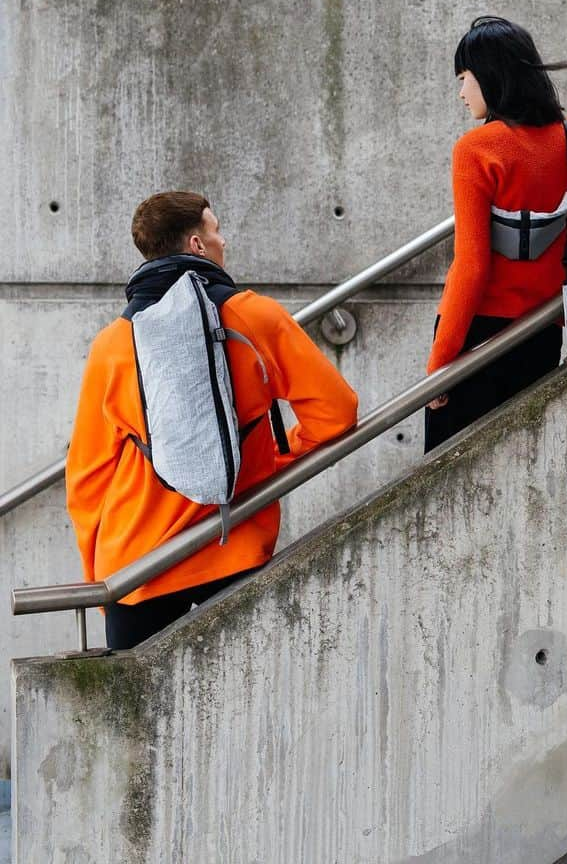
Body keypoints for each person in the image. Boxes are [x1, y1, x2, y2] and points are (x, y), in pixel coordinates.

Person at [66, 191, 358, 649]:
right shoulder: (255, 316)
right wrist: (268, 463)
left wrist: (102, 581)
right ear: (198, 245)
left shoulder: (113, 344)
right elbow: (336, 414)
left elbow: (87, 479)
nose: (223, 239)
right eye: (216, 229)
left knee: (137, 718)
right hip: (234, 549)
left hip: (137, 569)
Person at [425, 16, 567, 451]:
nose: (461, 93)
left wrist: (440, 363)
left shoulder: (475, 150)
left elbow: (472, 266)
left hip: (473, 342)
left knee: (452, 479)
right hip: (540, 335)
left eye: (464, 79)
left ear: (491, 76)